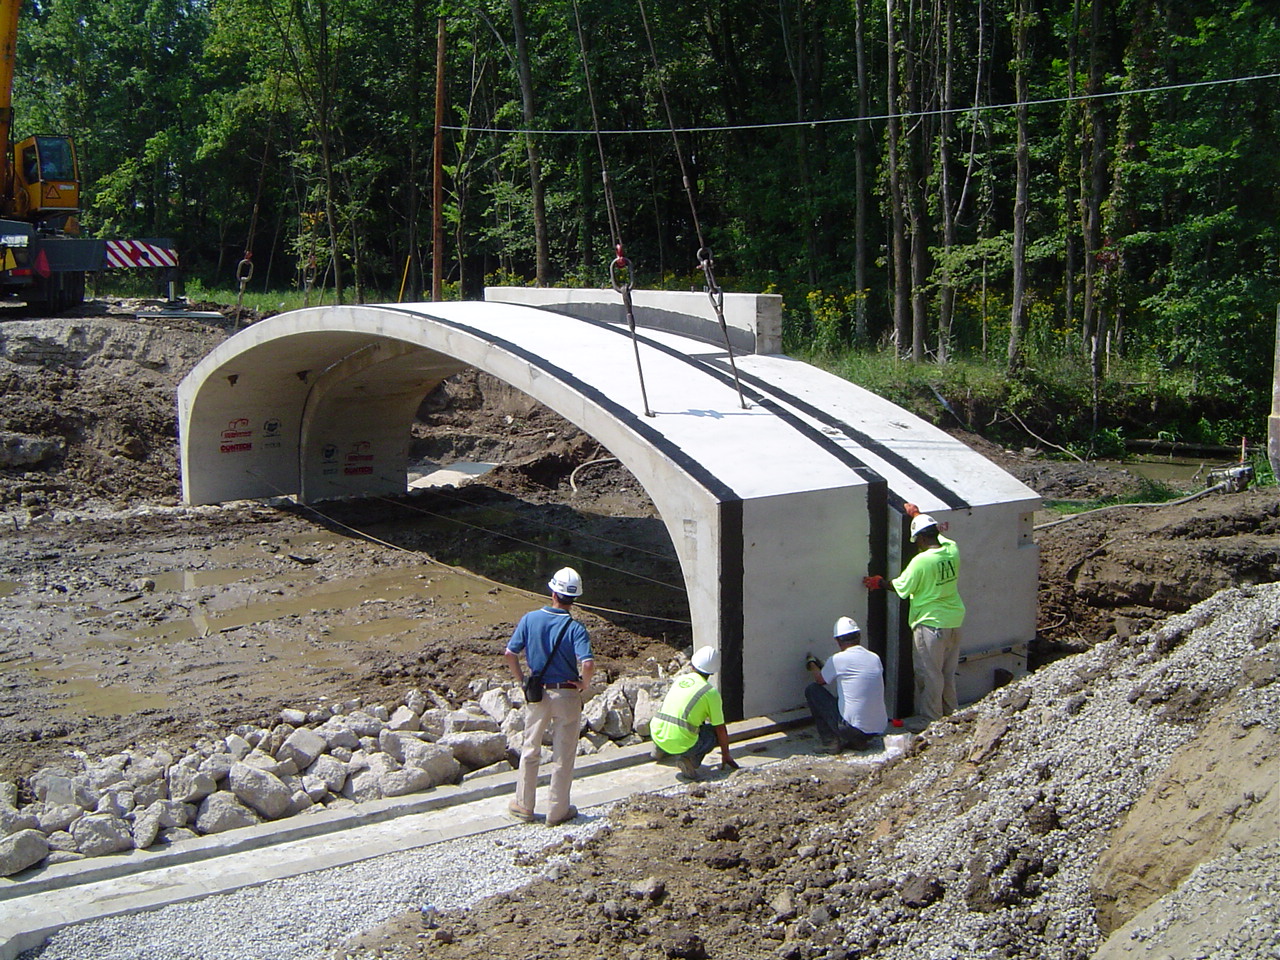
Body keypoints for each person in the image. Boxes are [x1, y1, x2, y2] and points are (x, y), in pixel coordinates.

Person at [503, 567, 594, 826]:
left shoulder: (530, 619)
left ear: (553, 592)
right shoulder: (576, 627)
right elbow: (587, 664)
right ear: (575, 598)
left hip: (537, 694)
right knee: (563, 754)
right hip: (566, 694)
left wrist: (522, 681)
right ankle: (557, 810)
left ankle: (524, 805)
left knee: (530, 748)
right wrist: (582, 685)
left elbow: (510, 654)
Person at [864, 503, 965, 721]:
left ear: (920, 539)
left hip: (930, 624)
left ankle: (932, 720)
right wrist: (917, 515)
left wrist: (879, 582)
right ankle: (952, 716)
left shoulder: (921, 561)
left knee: (929, 675)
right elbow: (942, 536)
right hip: (953, 622)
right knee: (947, 674)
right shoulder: (952, 549)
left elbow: (901, 587)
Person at [649, 646, 740, 781]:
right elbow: (720, 729)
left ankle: (659, 751)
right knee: (712, 734)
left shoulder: (680, 680)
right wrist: (726, 754)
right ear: (712, 672)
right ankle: (689, 761)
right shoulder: (710, 693)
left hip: (657, 733)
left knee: (673, 718)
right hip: (678, 741)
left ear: (693, 665)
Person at [804, 616, 888, 753]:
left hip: (852, 729)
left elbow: (820, 680)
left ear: (838, 640)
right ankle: (858, 742)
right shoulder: (874, 657)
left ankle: (830, 742)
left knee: (813, 691)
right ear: (859, 636)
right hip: (877, 728)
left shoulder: (838, 659)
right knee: (843, 700)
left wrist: (812, 663)